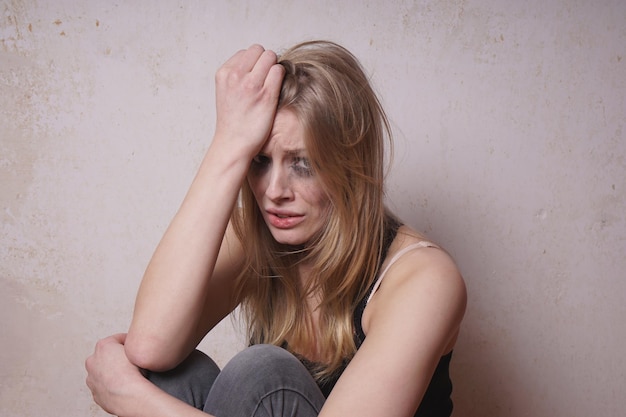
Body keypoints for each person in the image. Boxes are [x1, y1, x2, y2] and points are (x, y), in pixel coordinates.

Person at [85, 40, 467, 417]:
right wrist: (229, 144)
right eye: (260, 161)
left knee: (262, 375)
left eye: (303, 164)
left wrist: (134, 401)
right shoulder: (258, 233)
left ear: (350, 165)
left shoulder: (425, 279)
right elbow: (151, 347)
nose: (273, 192)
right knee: (170, 378)